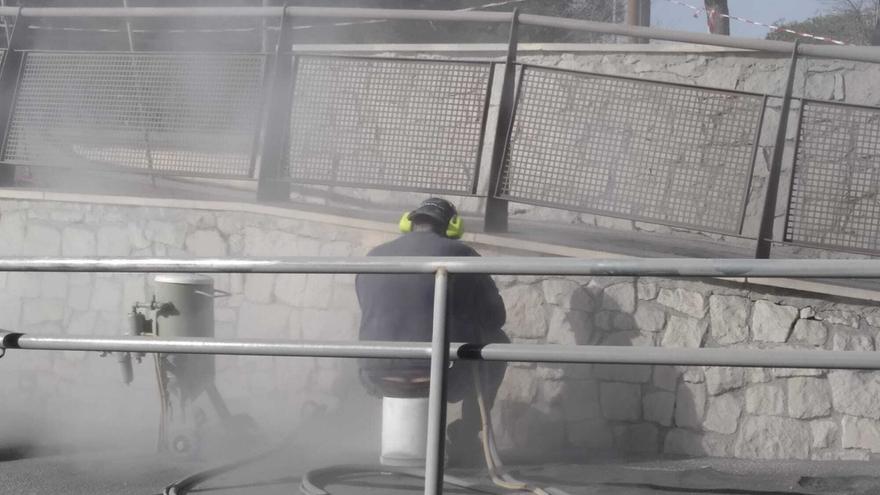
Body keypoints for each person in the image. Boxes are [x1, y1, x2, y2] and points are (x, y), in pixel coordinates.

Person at [355, 197, 508, 466]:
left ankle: (360, 426)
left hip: (374, 368)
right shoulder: (462, 255)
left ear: (408, 223)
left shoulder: (374, 255)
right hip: (442, 372)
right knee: (498, 343)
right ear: (453, 227)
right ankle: (466, 433)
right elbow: (496, 317)